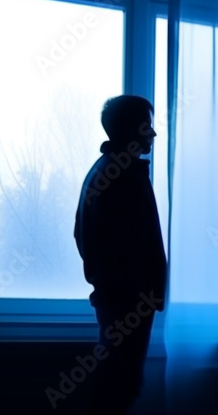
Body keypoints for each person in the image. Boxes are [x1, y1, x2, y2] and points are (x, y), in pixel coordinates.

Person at [75, 95, 167, 414]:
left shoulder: (104, 172)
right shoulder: (123, 177)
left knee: (118, 384)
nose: (152, 135)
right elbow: (135, 242)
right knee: (119, 386)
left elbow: (83, 235)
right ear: (130, 129)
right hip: (128, 302)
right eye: (147, 126)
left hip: (120, 300)